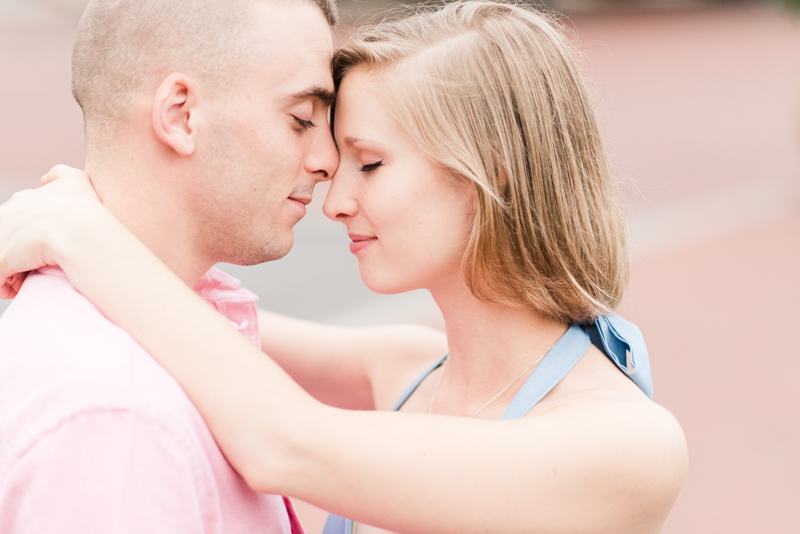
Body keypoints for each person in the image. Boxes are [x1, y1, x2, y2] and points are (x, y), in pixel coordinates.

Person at [0, 2, 689, 534]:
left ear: (492, 168)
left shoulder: (630, 444)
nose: (336, 196)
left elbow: (285, 442)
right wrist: (88, 227)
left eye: (372, 163)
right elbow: (200, 321)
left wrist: (79, 231)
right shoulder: (406, 368)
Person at [0, 0, 339, 532]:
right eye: (301, 119)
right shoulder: (121, 421)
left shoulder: (132, 346)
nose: (328, 160)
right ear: (181, 114)